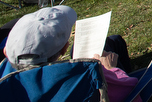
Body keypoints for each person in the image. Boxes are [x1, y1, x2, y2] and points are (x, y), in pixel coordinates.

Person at [0, 6, 139, 102]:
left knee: (114, 41)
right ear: (64, 48)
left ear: (5, 51)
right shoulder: (90, 75)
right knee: (114, 42)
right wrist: (111, 69)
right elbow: (134, 93)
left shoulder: (6, 84)